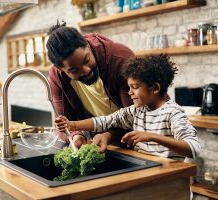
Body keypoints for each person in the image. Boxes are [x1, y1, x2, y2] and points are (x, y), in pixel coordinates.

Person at [55, 54, 201, 159]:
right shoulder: (136, 111)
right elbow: (104, 121)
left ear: (155, 88)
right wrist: (71, 125)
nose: (130, 92)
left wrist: (152, 137)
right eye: (129, 87)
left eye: (135, 87)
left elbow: (193, 148)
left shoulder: (173, 113)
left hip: (169, 180)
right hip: (145, 174)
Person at [46, 20, 135, 147]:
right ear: (61, 70)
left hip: (144, 143)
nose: (86, 70)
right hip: (105, 144)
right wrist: (76, 135)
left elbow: (136, 117)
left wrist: (109, 135)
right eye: (74, 70)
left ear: (87, 46)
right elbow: (63, 121)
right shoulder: (57, 77)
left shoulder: (120, 60)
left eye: (86, 60)